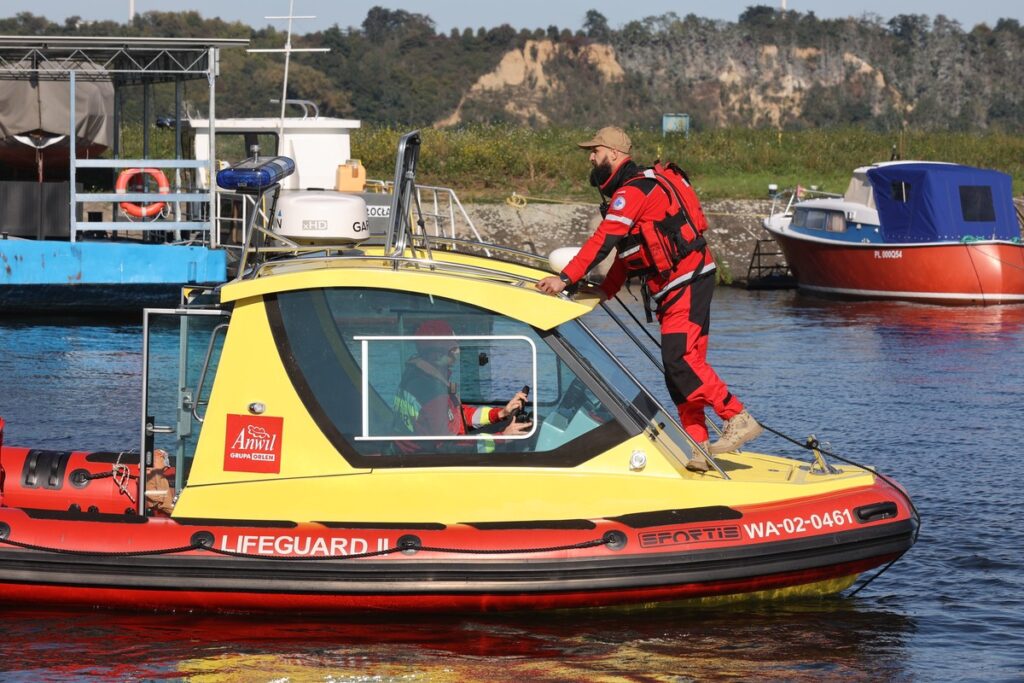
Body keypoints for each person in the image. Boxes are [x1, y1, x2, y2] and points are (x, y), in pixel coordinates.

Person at [536, 126, 761, 471]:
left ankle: (738, 417)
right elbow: (629, 255)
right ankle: (699, 447)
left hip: (686, 279)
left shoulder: (633, 192)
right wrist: (604, 291)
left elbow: (604, 240)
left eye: (594, 152)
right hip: (678, 284)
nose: (591, 159)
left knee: (680, 360)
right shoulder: (631, 193)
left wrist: (566, 277)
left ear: (612, 153)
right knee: (681, 369)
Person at [392, 320, 531, 454]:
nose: (458, 351)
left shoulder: (417, 377)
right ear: (437, 354)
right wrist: (502, 438)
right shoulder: (433, 393)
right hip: (435, 463)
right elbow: (450, 447)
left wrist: (501, 413)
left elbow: (456, 416)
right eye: (452, 348)